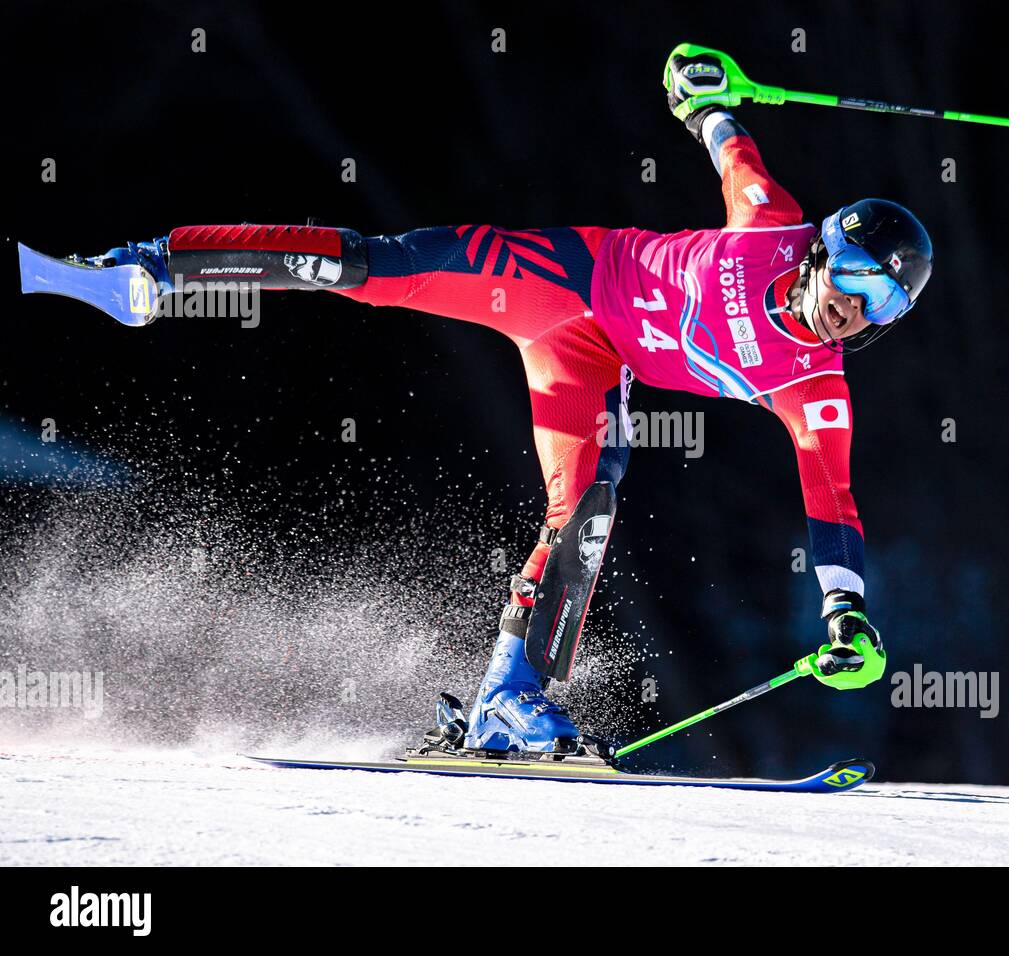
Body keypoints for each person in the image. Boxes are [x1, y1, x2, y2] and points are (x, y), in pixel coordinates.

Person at [78, 50, 932, 755]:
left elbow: (833, 499)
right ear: (824, 252)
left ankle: (505, 701)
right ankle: (156, 264)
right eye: (857, 278)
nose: (854, 308)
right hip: (560, 282)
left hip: (595, 364)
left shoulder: (813, 383)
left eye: (883, 305)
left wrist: (844, 610)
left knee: (587, 506)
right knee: (377, 267)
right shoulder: (768, 224)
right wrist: (701, 96)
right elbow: (725, 140)